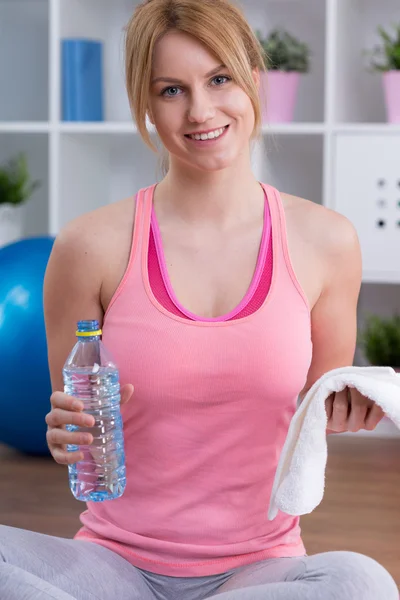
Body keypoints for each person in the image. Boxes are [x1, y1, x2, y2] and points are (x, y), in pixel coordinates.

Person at [0, 1, 398, 599]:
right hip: (112, 568)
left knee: (361, 584)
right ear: (145, 103)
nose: (200, 110)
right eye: (170, 89)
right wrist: (65, 433)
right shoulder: (91, 246)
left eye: (219, 79)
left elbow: (323, 408)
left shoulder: (326, 242)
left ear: (253, 80)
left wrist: (355, 403)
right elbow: (75, 417)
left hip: (260, 571)